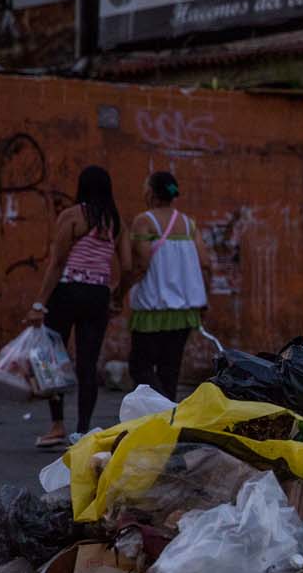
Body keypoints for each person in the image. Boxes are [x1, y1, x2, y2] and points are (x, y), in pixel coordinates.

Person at [28, 165, 131, 448]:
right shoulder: (115, 221)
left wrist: (39, 303)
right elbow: (128, 265)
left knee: (52, 360)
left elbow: (57, 262)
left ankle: (57, 425)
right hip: (97, 295)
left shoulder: (73, 216)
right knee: (87, 364)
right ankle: (82, 430)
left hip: (68, 292)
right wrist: (116, 295)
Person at [128, 171, 209, 400]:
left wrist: (119, 292)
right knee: (169, 370)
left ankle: (163, 409)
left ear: (151, 192)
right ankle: (168, 419)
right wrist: (204, 300)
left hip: (151, 307)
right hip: (184, 310)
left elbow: (140, 264)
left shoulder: (144, 221)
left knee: (139, 367)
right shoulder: (189, 224)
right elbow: (206, 263)